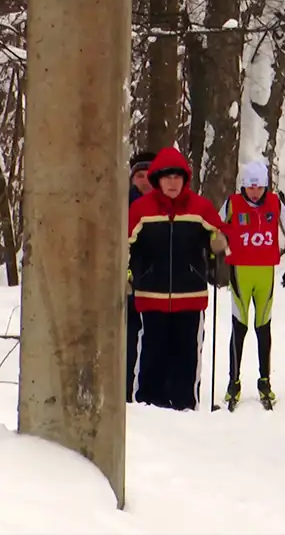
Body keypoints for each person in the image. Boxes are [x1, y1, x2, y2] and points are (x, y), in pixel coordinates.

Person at [128, 147, 228, 411]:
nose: (172, 183)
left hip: (190, 297)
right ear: (157, 179)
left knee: (186, 358)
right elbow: (123, 246)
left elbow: (221, 233)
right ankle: (148, 406)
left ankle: (185, 408)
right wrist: (128, 274)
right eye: (167, 177)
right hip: (151, 296)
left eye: (177, 177)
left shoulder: (200, 207)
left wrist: (219, 243)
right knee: (151, 355)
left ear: (185, 179)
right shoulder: (140, 210)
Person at [220, 162, 285, 409]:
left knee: (263, 325)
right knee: (239, 325)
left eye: (259, 187)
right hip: (240, 271)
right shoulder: (233, 203)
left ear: (265, 185)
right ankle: (234, 383)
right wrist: (212, 255)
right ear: (244, 185)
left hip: (265, 272)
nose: (255, 192)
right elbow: (215, 228)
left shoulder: (274, 203)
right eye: (250, 187)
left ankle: (264, 381)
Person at [126, 151, 155, 403]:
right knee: (127, 341)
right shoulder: (123, 205)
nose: (144, 181)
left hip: (158, 286)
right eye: (139, 176)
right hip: (128, 286)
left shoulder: (165, 206)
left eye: (149, 176)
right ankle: (125, 394)